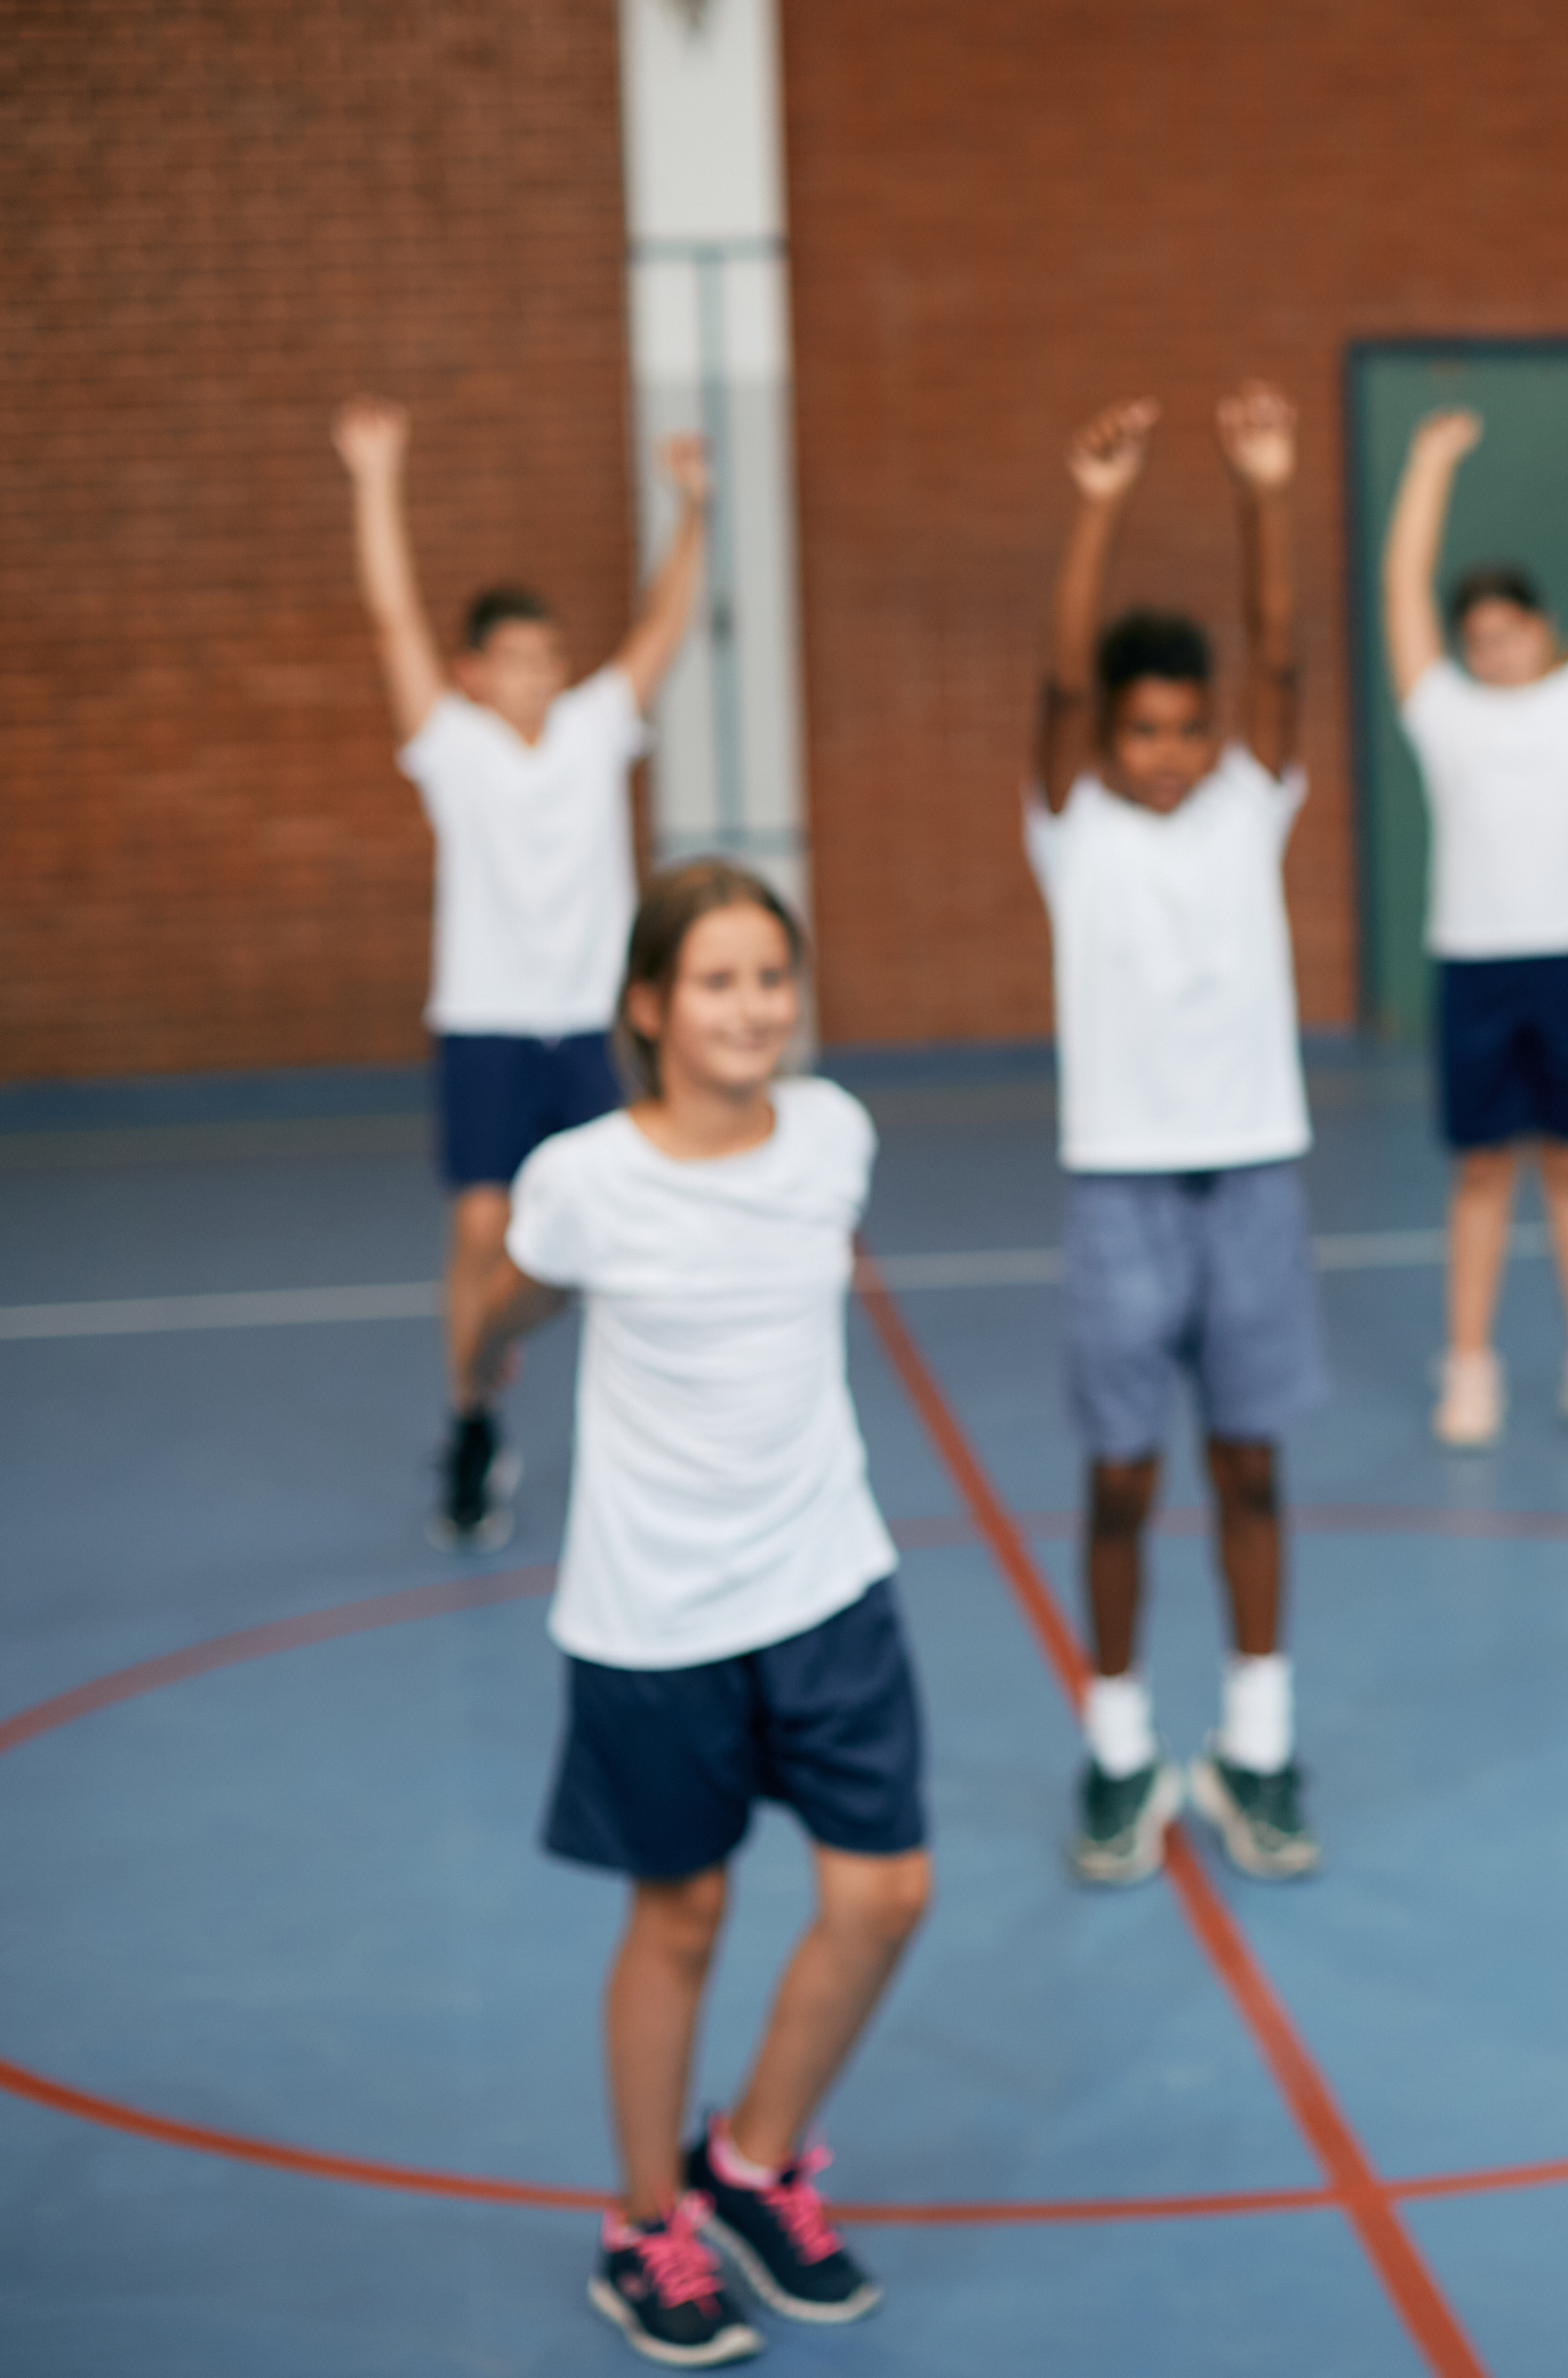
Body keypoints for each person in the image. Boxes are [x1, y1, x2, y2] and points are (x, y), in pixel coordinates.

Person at [463, 859, 930, 2366]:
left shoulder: (837, 1137)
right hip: (654, 1616)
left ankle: (754, 2162)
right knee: (684, 1914)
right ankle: (645, 2221)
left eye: (773, 980)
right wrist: (488, 1355)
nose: (754, 1009)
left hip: (824, 1581)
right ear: (651, 1008)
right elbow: (510, 1296)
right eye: (719, 982)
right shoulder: (584, 1178)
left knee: (885, 1894)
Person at [1023, 383, 1326, 1886]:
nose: (1165, 752)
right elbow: (1060, 683)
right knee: (1125, 1481)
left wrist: (1263, 489)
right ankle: (1119, 1745)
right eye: (1142, 730)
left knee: (1253, 1467)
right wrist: (1101, 501)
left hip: (1252, 1180)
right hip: (1120, 1196)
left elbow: (1278, 655)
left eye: (1188, 731)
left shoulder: (1245, 810)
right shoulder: (1071, 829)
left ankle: (1258, 1744)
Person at [334, 396, 712, 1551]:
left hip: (594, 1033)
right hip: (490, 1027)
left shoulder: (598, 728)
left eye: (553, 658)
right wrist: (375, 477)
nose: (541, 676)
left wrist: (691, 509)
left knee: (629, 1227)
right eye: (517, 661)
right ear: (475, 672)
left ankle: (659, 1438)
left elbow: (662, 623)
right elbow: (391, 614)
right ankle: (472, 1420)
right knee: (482, 1238)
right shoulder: (453, 750)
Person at [1380, 364, 1568, 1447]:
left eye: (1507, 633)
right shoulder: (1444, 713)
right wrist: (1427, 465)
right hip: (1475, 961)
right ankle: (1470, 1367)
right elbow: (1402, 587)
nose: (1489, 651)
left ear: (1540, 630)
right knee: (1478, 1171)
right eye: (1475, 639)